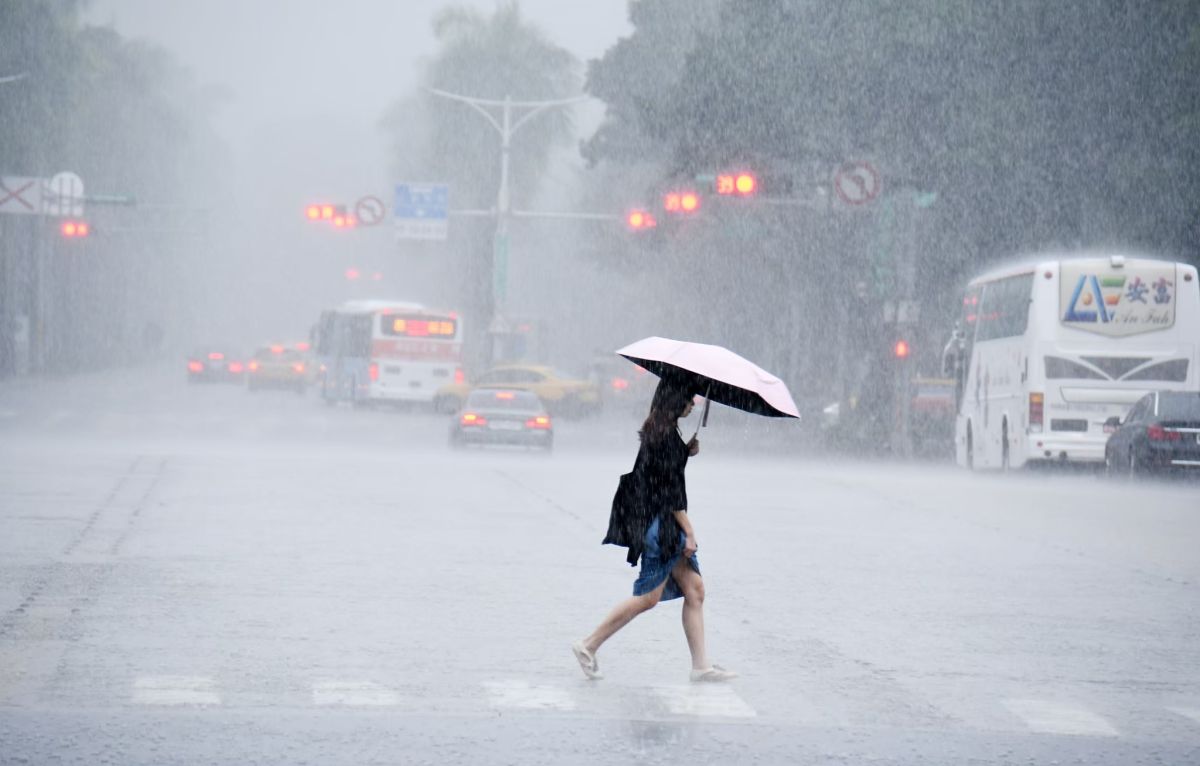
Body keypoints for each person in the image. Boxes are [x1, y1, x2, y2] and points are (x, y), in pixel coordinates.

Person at [572, 378, 737, 683]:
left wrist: (684, 452)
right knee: (648, 598)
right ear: (675, 401)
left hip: (656, 521)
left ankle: (701, 667)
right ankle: (588, 645)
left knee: (695, 590)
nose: (693, 404)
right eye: (689, 399)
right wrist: (689, 532)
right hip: (661, 528)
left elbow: (661, 473)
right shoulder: (666, 439)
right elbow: (669, 494)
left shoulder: (661, 433)